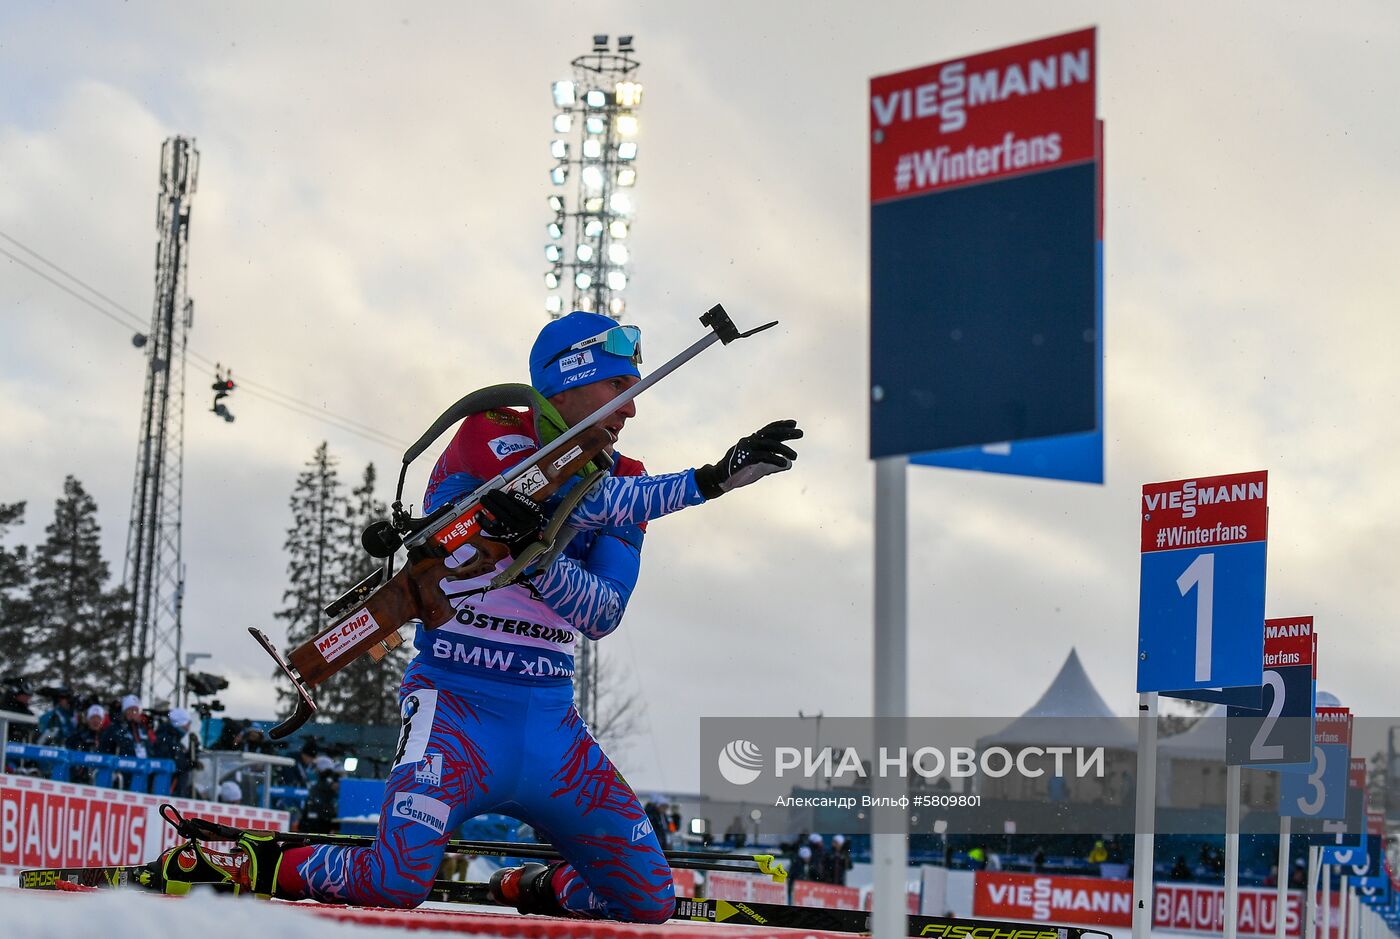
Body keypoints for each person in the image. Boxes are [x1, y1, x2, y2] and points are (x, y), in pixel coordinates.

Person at [149, 311, 802, 923]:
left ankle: (534, 884)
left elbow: (602, 609)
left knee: (652, 899)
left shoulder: (625, 475)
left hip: (551, 728)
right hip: (455, 711)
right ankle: (246, 860)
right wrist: (700, 482)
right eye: (617, 387)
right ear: (570, 382)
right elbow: (452, 549)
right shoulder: (488, 434)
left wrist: (546, 553)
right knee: (395, 881)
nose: (631, 408)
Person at [152, 707, 198, 797]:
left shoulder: (175, 740)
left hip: (173, 789)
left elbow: (180, 760)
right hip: (166, 789)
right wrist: (187, 764)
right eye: (187, 724)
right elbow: (171, 762)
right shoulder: (166, 739)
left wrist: (194, 749)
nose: (188, 728)